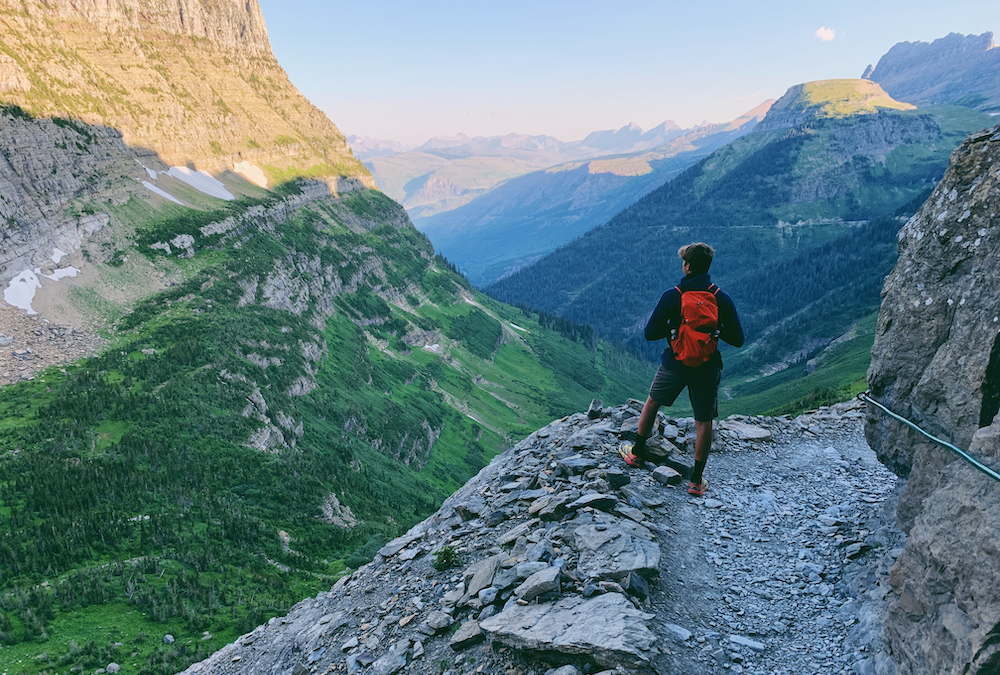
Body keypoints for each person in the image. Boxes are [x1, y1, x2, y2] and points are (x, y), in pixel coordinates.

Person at [619, 242, 744, 496]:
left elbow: (650, 333)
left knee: (653, 402)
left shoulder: (672, 295)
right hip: (707, 366)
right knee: (703, 422)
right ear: (707, 267)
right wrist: (713, 330)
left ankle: (637, 454)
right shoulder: (721, 298)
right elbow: (738, 339)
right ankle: (696, 481)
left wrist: (674, 328)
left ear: (687, 266)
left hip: (675, 362)